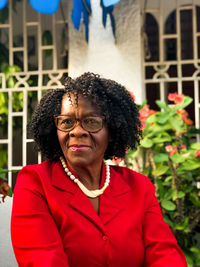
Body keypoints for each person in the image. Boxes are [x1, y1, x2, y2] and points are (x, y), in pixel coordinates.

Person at [11, 72, 188, 267]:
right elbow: (43, 260)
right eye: (66, 122)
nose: (77, 131)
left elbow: (165, 256)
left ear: (112, 131)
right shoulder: (36, 182)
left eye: (92, 121)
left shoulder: (139, 187)